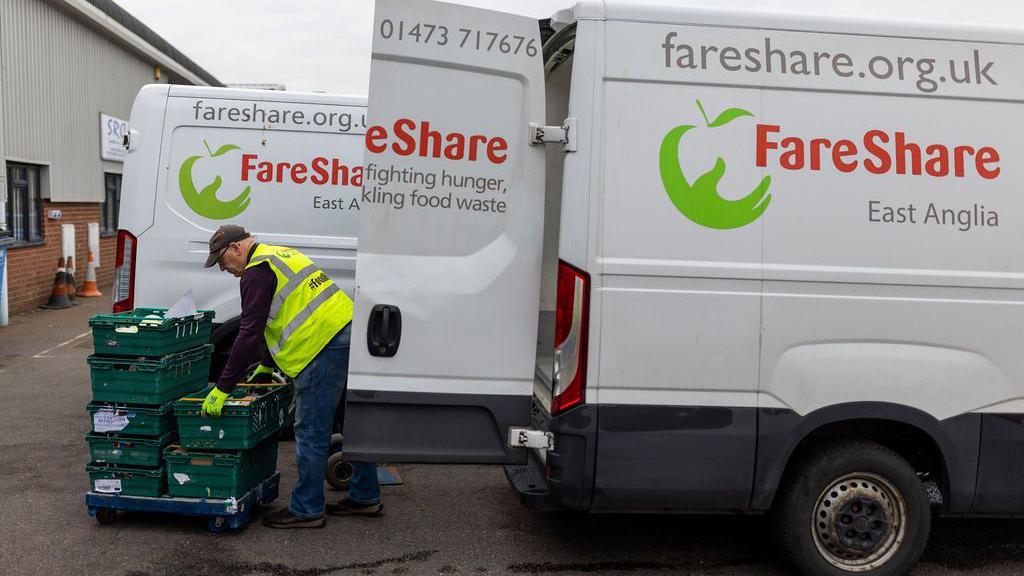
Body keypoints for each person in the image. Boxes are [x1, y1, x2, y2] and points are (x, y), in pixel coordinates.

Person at [201, 224, 382, 529]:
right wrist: (266, 365)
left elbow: (250, 331)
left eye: (222, 261)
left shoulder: (256, 270)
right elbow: (286, 313)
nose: (223, 269)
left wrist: (223, 387)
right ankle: (365, 495)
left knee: (312, 429)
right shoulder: (279, 254)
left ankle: (307, 509)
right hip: (346, 332)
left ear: (235, 248)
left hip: (321, 345)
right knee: (352, 420)